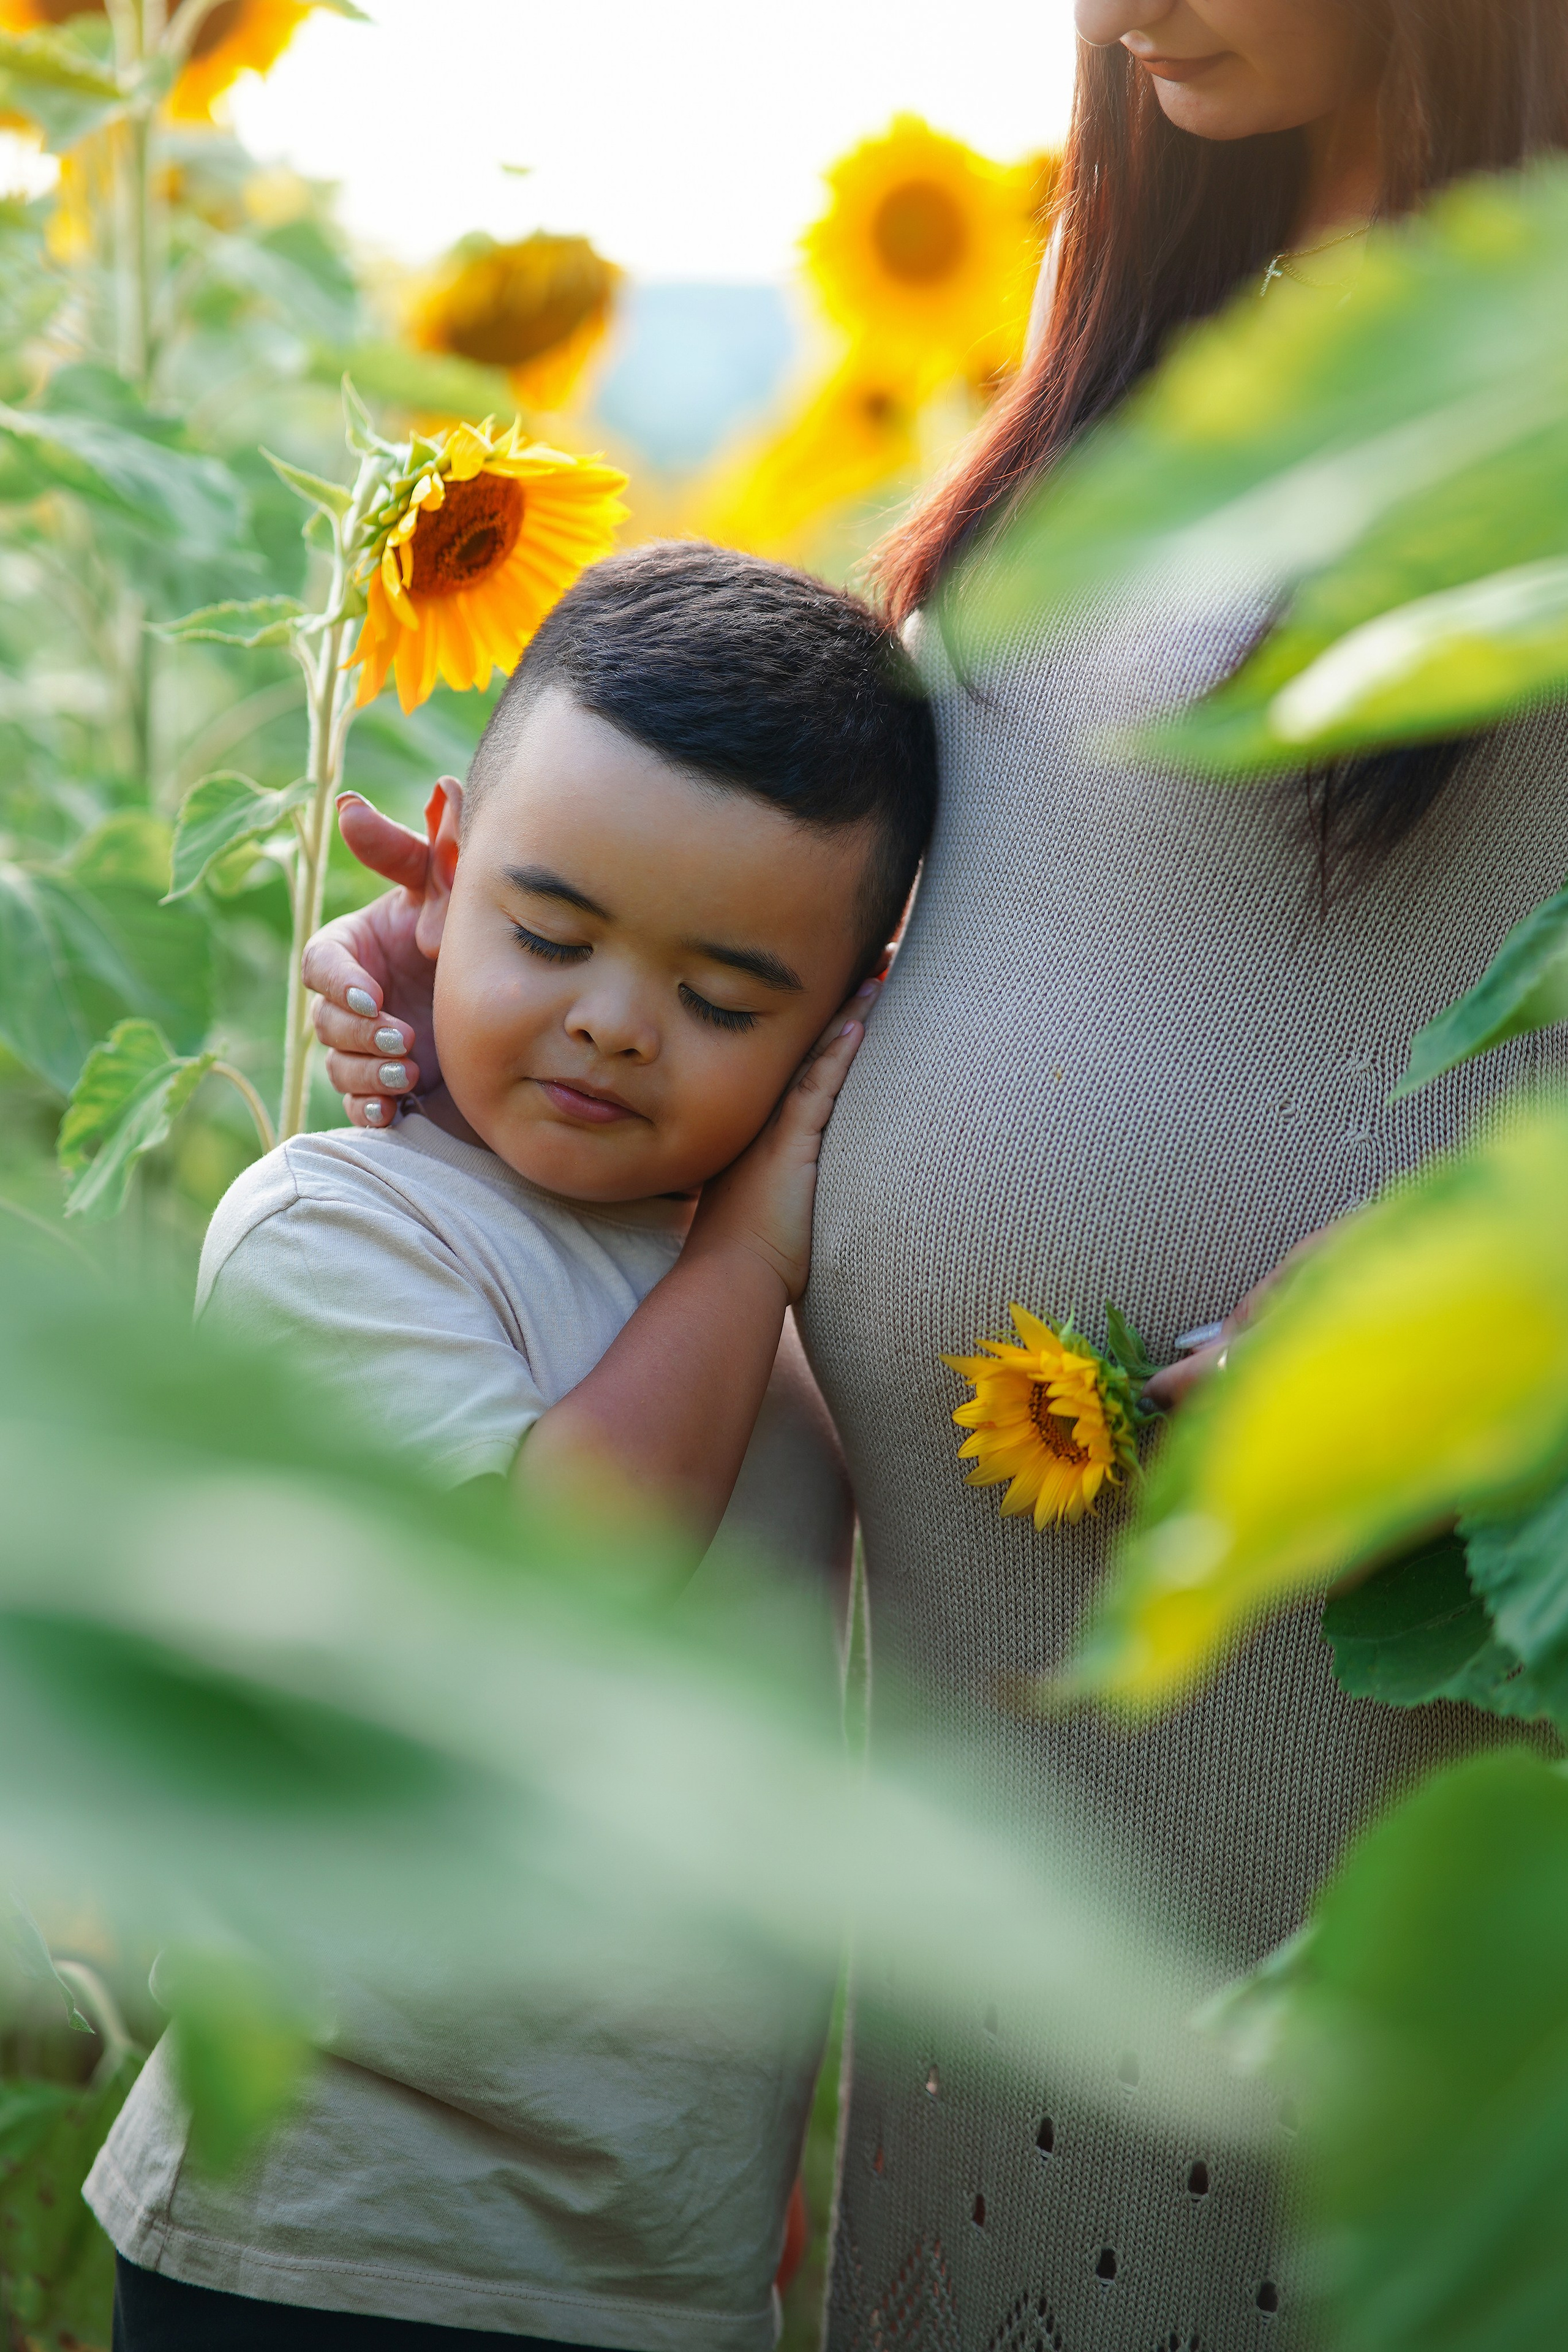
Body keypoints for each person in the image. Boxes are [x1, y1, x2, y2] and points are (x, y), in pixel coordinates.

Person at [303, 4, 1568, 2346]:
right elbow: (924, 943)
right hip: (986, 1939)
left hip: (1389, 1875)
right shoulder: (1111, 401)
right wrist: (496, 968)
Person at [86, 541, 938, 2352]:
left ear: (843, 1022)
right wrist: (745, 1253)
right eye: (549, 936)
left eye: (727, 1002)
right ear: (443, 868)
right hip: (328, 2231)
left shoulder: (784, 1283)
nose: (614, 1023)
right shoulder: (338, 1230)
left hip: (654, 2259)